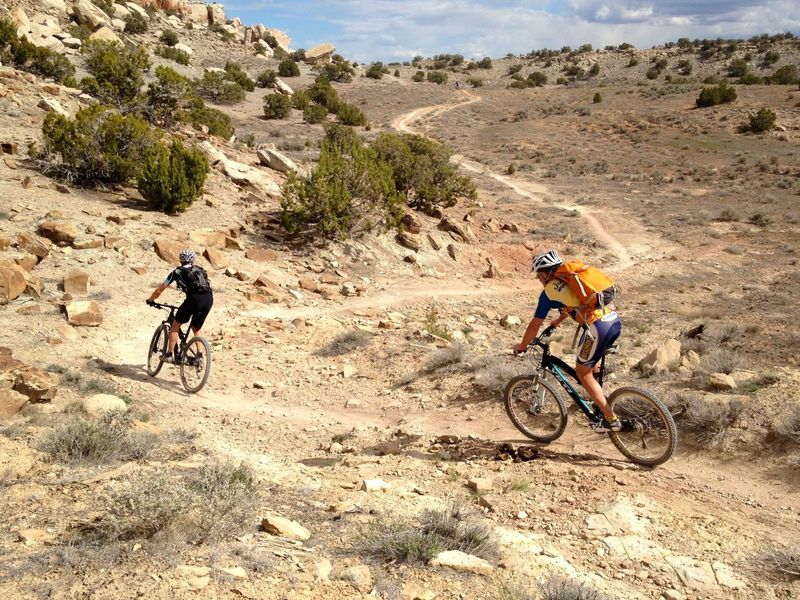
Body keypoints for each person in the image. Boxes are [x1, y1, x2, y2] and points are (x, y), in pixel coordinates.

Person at [514, 249, 622, 432]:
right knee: (591, 365)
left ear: (546, 273)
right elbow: (574, 304)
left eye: (539, 276)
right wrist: (557, 322)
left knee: (583, 373)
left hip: (597, 328)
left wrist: (522, 346)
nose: (539, 280)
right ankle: (599, 405)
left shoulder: (548, 292)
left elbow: (534, 325)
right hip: (613, 321)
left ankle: (611, 420)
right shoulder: (571, 280)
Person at [147, 249, 213, 364]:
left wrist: (151, 300)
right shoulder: (200, 270)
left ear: (180, 260)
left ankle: (169, 354)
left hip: (194, 300)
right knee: (196, 327)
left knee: (175, 325)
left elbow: (159, 290)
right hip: (208, 299)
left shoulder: (177, 272)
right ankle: (200, 355)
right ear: (193, 260)